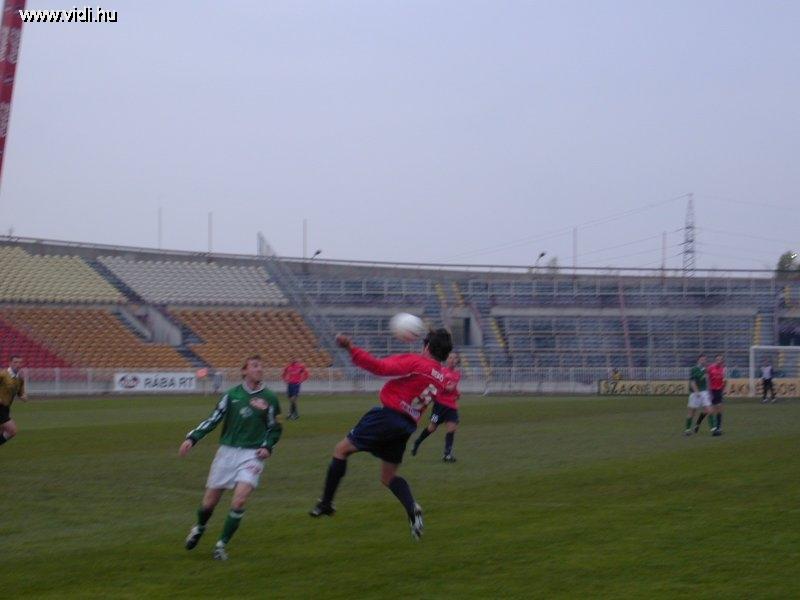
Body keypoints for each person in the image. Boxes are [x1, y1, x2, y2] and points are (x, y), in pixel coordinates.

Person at [309, 329, 453, 540]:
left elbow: (379, 367)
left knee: (341, 450)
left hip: (388, 417)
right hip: (405, 426)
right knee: (388, 477)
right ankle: (411, 507)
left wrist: (350, 348)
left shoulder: (417, 362)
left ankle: (326, 503)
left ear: (427, 346)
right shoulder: (441, 377)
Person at [179, 354, 282, 560]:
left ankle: (221, 545)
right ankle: (199, 527)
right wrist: (192, 438)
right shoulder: (231, 395)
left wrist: (267, 447)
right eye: (254, 366)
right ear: (244, 371)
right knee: (209, 503)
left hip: (252, 455)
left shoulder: (270, 398)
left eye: (261, 366)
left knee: (239, 501)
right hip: (227, 453)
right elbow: (213, 419)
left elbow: (275, 428)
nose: (259, 369)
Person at [411, 352, 461, 462]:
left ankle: (447, 455)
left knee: (452, 428)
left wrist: (454, 391)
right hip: (438, 407)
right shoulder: (440, 371)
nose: (452, 360)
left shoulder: (457, 374)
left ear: (457, 361)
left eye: (455, 358)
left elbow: (451, 388)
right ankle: (418, 442)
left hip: (451, 407)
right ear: (446, 360)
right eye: (450, 357)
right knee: (432, 427)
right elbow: (436, 386)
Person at [0, 355, 27, 447]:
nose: (18, 364)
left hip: (6, 408)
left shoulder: (20, 378)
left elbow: (20, 392)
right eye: (15, 362)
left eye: (19, 362)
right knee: (12, 430)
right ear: (10, 363)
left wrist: (23, 396)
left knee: (2, 431)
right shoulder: (3, 374)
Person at [685, 354, 713, 436]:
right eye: (702, 359)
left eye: (705, 359)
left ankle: (713, 430)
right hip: (695, 393)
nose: (703, 361)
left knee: (709, 410)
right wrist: (696, 391)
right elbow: (692, 382)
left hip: (704, 392)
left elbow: (707, 381)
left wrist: (709, 392)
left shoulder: (705, 370)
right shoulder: (694, 369)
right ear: (698, 360)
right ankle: (687, 430)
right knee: (692, 412)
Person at [705, 354, 725, 436]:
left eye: (720, 359)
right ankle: (713, 427)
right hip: (712, 390)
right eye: (718, 359)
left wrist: (723, 390)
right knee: (711, 410)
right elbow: (707, 380)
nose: (719, 361)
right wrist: (709, 392)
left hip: (719, 391)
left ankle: (718, 427)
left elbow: (723, 380)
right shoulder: (710, 368)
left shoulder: (722, 369)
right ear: (715, 360)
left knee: (719, 409)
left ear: (722, 361)